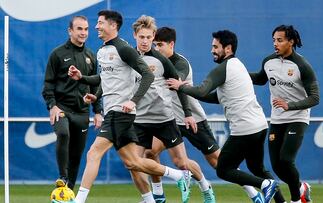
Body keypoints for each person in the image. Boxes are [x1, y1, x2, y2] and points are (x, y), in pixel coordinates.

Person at [68, 10, 190, 203]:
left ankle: (78, 200)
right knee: (133, 163)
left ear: (113, 26)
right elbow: (104, 79)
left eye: (100, 23)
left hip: (120, 113)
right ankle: (176, 176)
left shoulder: (124, 49)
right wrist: (83, 79)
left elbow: (147, 75)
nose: (97, 26)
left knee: (93, 153)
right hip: (113, 111)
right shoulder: (102, 50)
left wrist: (132, 101)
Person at [167, 30, 280, 203]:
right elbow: (213, 97)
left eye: (215, 47)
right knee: (256, 167)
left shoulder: (223, 68)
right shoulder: (238, 65)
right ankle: (281, 200)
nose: (212, 50)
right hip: (259, 126)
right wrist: (188, 90)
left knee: (224, 170)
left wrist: (181, 87)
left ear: (228, 49)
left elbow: (203, 90)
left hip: (244, 129)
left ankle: (264, 184)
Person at [128, 15, 214, 203]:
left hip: (164, 119)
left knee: (182, 163)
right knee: (134, 162)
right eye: (141, 37)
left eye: (149, 38)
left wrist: (188, 114)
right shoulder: (128, 56)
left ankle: (205, 186)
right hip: (140, 120)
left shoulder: (161, 60)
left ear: (153, 38)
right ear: (135, 35)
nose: (145, 41)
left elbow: (179, 85)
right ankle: (157, 196)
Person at [249, 25, 320, 203]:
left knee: (286, 160)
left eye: (280, 40)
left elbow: (315, 98)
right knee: (277, 166)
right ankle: (301, 187)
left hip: (298, 117)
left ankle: (296, 199)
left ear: (291, 42)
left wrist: (290, 105)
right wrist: (238, 73)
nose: (275, 43)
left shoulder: (302, 66)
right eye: (274, 40)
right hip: (277, 118)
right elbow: (259, 79)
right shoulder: (268, 61)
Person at [42, 15, 103, 190]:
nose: (83, 32)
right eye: (79, 29)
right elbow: (48, 84)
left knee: (76, 155)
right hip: (62, 108)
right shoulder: (58, 54)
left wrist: (98, 111)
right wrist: (52, 105)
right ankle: (62, 176)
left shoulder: (91, 55)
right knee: (63, 134)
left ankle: (68, 192)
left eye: (86, 29)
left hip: (82, 112)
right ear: (70, 31)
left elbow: (95, 85)